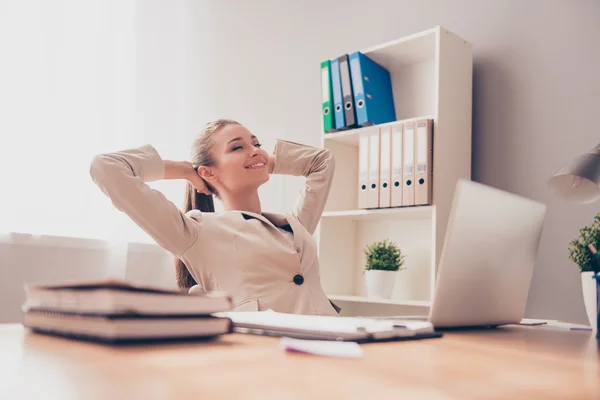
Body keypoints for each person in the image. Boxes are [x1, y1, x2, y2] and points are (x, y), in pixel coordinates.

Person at [90, 119, 340, 316]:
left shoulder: (295, 225)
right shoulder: (194, 232)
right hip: (265, 354)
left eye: (256, 144)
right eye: (237, 147)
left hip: (335, 341)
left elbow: (322, 162)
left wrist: (263, 160)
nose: (254, 150)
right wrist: (184, 170)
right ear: (208, 172)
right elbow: (105, 167)